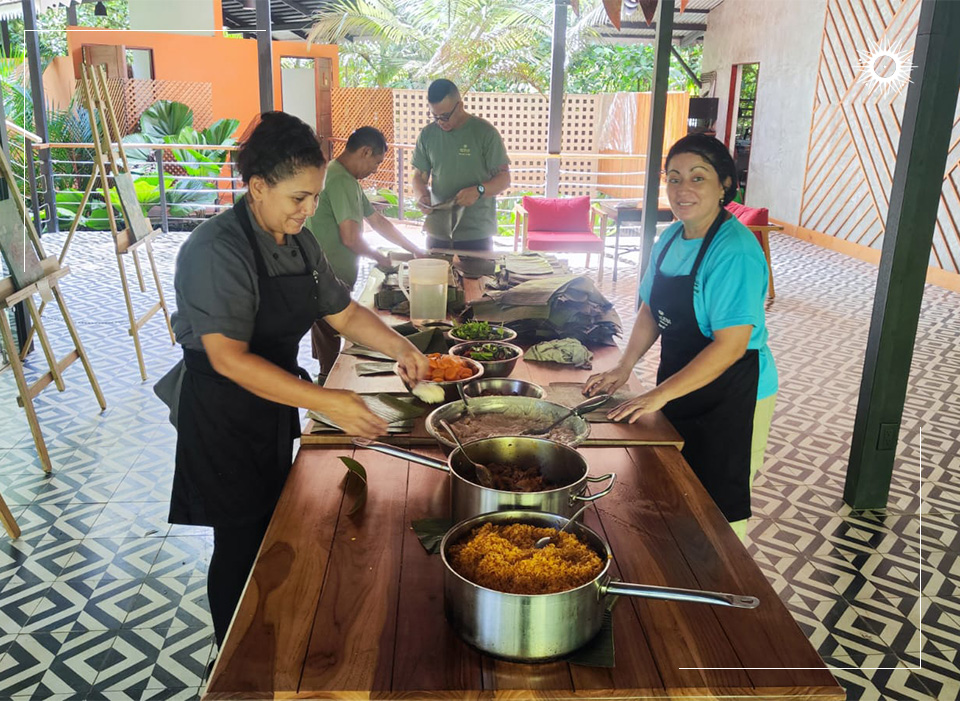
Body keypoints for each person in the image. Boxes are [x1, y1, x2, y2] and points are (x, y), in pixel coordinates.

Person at [153, 112, 430, 649]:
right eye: (298, 197)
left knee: (275, 526)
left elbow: (342, 312)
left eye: (316, 196)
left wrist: (402, 346)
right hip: (222, 416)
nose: (310, 209)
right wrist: (330, 400)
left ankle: (275, 633)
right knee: (240, 540)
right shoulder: (216, 250)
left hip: (273, 402)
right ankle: (235, 658)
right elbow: (230, 360)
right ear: (257, 187)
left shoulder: (299, 243)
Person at [584, 133, 777, 541]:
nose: (682, 189)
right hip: (681, 381)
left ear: (725, 183)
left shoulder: (735, 251)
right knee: (677, 486)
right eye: (673, 178)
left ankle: (724, 593)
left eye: (698, 177)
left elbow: (731, 345)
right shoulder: (671, 237)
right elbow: (652, 309)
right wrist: (624, 367)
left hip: (734, 392)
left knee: (720, 508)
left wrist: (657, 395)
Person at [306, 126, 424, 374]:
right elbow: (350, 237)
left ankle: (326, 385)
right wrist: (380, 258)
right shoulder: (340, 179)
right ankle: (327, 396)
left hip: (329, 279)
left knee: (328, 343)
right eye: (377, 162)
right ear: (365, 151)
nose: (376, 170)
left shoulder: (346, 178)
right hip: (328, 280)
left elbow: (378, 221)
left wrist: (414, 250)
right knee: (332, 359)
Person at [410, 78, 511, 251]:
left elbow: (504, 179)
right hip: (438, 231)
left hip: (476, 233)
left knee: (477, 279)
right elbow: (419, 175)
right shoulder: (427, 135)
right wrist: (421, 195)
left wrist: (479, 190)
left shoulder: (485, 133)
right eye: (435, 116)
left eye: (445, 116)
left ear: (460, 105)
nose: (441, 121)